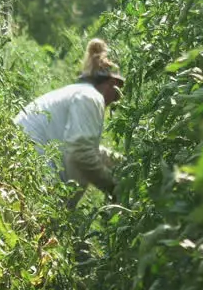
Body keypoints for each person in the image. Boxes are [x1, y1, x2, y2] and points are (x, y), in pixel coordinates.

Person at [14, 39, 124, 202]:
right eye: (118, 94)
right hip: (31, 177)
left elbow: (84, 146)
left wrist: (123, 165)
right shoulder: (90, 98)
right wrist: (115, 187)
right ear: (113, 83)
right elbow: (80, 152)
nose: (116, 101)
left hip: (18, 166)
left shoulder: (77, 93)